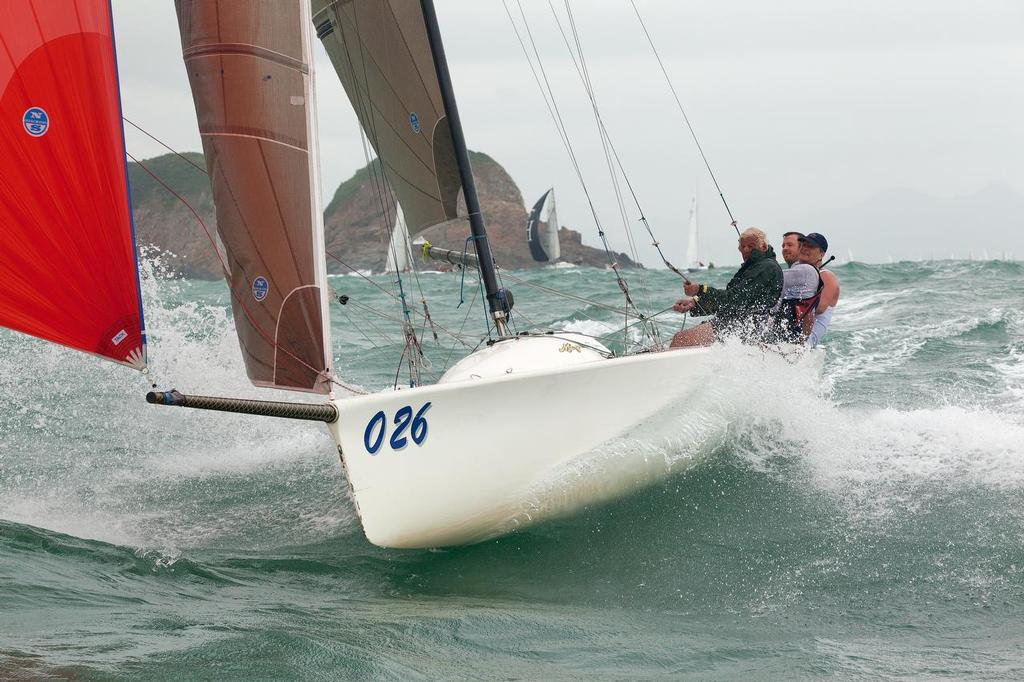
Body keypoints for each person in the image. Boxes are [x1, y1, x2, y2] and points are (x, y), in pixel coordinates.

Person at [671, 227, 783, 347]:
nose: (745, 250)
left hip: (748, 327)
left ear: (764, 247)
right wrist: (694, 304)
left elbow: (734, 299)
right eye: (743, 247)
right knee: (678, 339)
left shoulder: (766, 267)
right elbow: (730, 301)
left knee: (681, 339)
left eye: (751, 246)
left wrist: (701, 290)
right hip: (736, 322)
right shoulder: (754, 267)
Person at [797, 232, 840, 347]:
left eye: (810, 246)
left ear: (821, 254)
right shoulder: (797, 271)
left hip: (807, 340)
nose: (804, 248)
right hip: (791, 330)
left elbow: (819, 308)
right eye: (803, 245)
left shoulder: (827, 276)